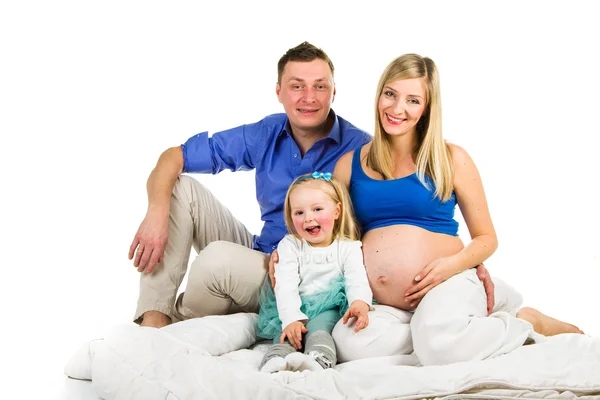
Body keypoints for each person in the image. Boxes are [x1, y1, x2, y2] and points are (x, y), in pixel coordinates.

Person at [330, 53, 584, 366]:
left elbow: (487, 238)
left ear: (426, 108)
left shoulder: (451, 159)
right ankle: (448, 331)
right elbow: (335, 239)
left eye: (412, 100)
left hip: (447, 283)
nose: (397, 109)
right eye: (390, 94)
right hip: (385, 304)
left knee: (437, 344)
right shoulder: (348, 166)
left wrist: (451, 266)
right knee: (346, 341)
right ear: (379, 94)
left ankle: (525, 322)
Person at [128, 41, 372, 328]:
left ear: (334, 91)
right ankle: (154, 317)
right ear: (279, 91)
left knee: (214, 261)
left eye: (320, 86)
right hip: (262, 253)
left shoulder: (361, 148)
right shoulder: (267, 132)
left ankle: (184, 320)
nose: (309, 97)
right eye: (297, 86)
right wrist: (156, 213)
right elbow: (173, 157)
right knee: (180, 189)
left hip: (308, 271)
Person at [256, 172, 372, 373]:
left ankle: (319, 360)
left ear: (337, 211)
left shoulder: (348, 247)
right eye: (299, 213)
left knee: (319, 329)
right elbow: (285, 284)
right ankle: (274, 361)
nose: (308, 218)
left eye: (317, 209)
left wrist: (359, 302)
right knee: (286, 335)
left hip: (328, 306)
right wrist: (292, 318)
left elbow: (356, 279)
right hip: (295, 304)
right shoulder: (290, 245)